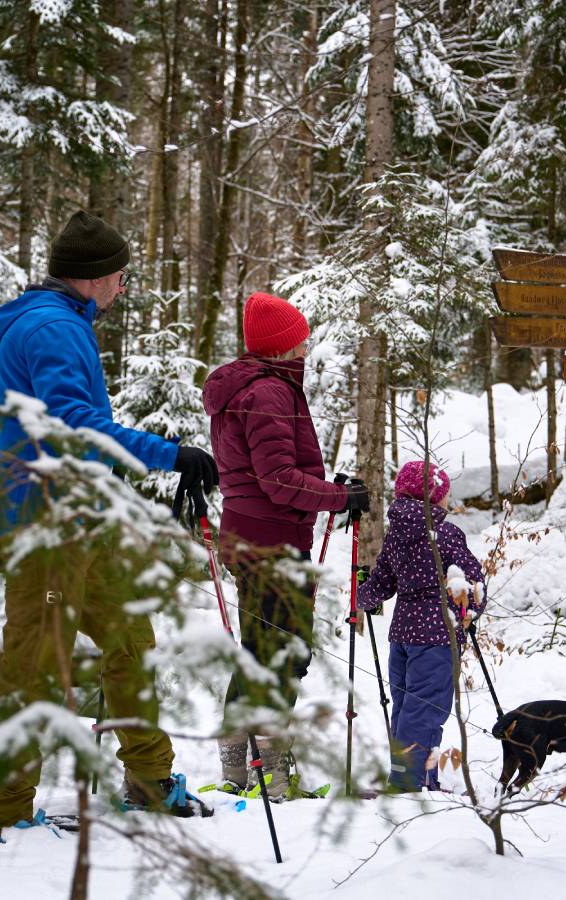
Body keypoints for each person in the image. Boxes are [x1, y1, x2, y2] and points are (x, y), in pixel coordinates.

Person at [0, 210, 218, 844]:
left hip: (81, 518)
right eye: (120, 277)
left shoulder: (61, 323)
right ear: (93, 278)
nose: (122, 288)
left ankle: (147, 781)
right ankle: (5, 812)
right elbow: (75, 424)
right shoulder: (54, 329)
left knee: (131, 643)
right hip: (45, 525)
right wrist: (171, 454)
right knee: (36, 666)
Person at [203, 291, 368, 798]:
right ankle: (270, 775)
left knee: (261, 652)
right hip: (270, 542)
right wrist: (340, 497)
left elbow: (272, 475)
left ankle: (240, 769)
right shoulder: (268, 394)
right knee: (282, 654)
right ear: (279, 348)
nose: (305, 348)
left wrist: (328, 491)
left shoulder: (251, 388)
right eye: (299, 340)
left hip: (254, 537)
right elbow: (279, 481)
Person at [357, 461, 486, 793]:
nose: (446, 501)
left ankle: (406, 774)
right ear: (433, 498)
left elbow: (382, 583)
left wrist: (362, 593)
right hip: (437, 636)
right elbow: (471, 584)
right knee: (424, 709)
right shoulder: (444, 533)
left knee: (404, 708)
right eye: (443, 495)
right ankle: (410, 784)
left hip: (403, 635)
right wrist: (471, 609)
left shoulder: (397, 533)